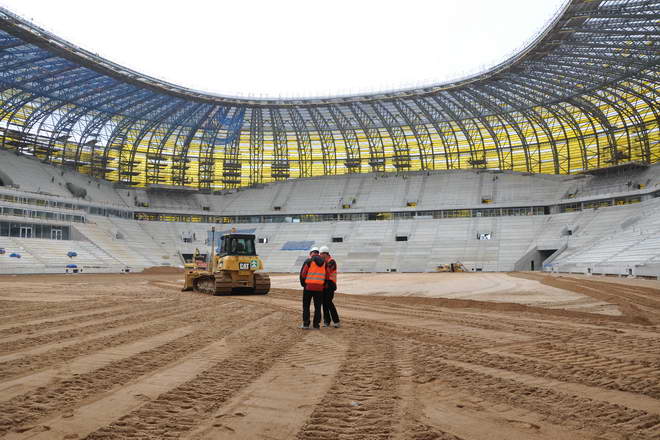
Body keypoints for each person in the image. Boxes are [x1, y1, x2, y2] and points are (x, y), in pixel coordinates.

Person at [299, 249, 326, 329]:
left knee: (306, 306)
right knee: (318, 307)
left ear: (311, 253)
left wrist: (303, 284)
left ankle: (306, 324)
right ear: (318, 253)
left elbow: (303, 274)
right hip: (319, 288)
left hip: (309, 287)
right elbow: (326, 274)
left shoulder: (309, 261)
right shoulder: (324, 262)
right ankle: (316, 325)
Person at [320, 246, 340, 328]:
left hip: (330, 284)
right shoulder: (324, 262)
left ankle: (336, 321)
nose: (320, 255)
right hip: (324, 284)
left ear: (325, 254)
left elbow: (327, 271)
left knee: (329, 302)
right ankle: (326, 321)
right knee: (324, 303)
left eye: (321, 254)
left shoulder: (331, 261)